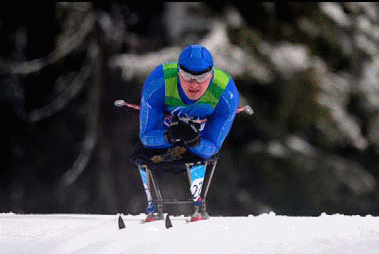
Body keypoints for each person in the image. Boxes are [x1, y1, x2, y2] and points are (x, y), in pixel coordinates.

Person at [135, 44, 239, 221]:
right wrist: (169, 135)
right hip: (165, 130)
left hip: (200, 135)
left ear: (212, 75)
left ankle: (199, 204)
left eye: (203, 77)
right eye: (187, 76)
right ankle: (154, 204)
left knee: (207, 155)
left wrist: (195, 141)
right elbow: (146, 137)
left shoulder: (225, 93)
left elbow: (212, 147)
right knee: (141, 152)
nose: (194, 84)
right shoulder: (158, 83)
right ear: (178, 73)